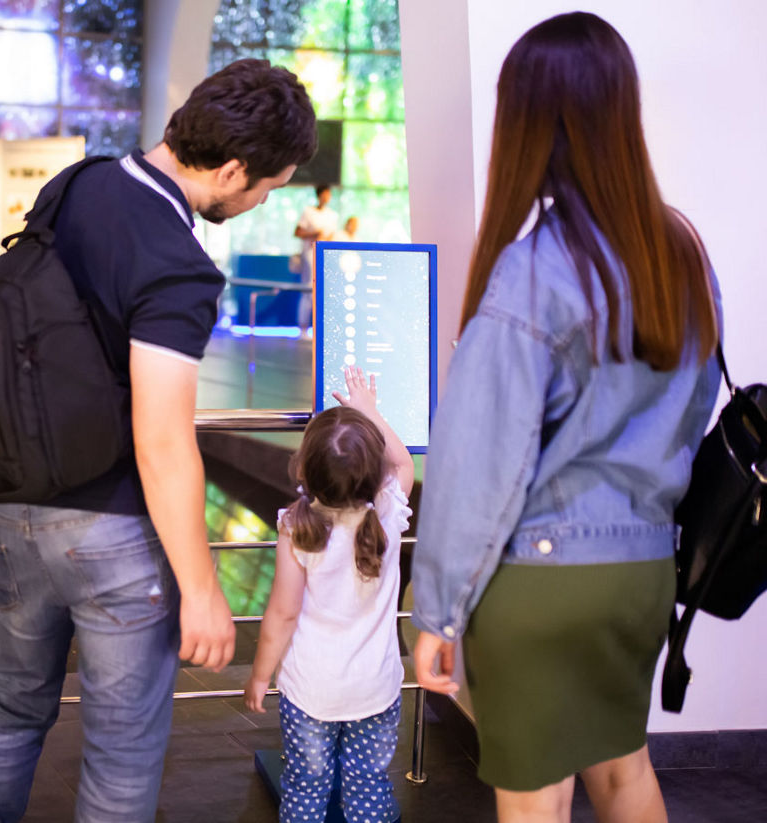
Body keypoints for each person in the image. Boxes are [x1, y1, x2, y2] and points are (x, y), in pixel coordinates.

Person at [0, 58, 317, 823]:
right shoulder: (177, 266)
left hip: (16, 506)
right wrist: (205, 589)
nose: (256, 205)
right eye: (264, 190)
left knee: (8, 710)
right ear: (233, 169)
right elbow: (161, 438)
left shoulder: (78, 183)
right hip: (109, 531)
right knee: (120, 755)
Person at [410, 12, 720, 823]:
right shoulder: (682, 256)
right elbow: (690, 419)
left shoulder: (532, 270)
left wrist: (436, 610)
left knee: (535, 798)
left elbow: (476, 469)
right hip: (642, 575)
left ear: (529, 122)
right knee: (624, 773)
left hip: (541, 584)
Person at [244, 365, 413, 823]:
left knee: (306, 788)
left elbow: (282, 614)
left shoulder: (296, 527)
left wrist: (260, 675)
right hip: (376, 687)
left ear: (304, 468)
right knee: (368, 791)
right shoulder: (388, 514)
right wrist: (369, 411)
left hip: (311, 691)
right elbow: (403, 464)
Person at [295, 183, 340, 331]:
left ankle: (319, 328)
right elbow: (298, 232)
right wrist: (313, 234)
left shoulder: (332, 215)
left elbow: (332, 235)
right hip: (309, 253)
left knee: (323, 289)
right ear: (319, 195)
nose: (327, 197)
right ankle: (303, 326)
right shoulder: (308, 212)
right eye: (325, 193)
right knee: (309, 287)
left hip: (325, 254)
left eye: (329, 194)